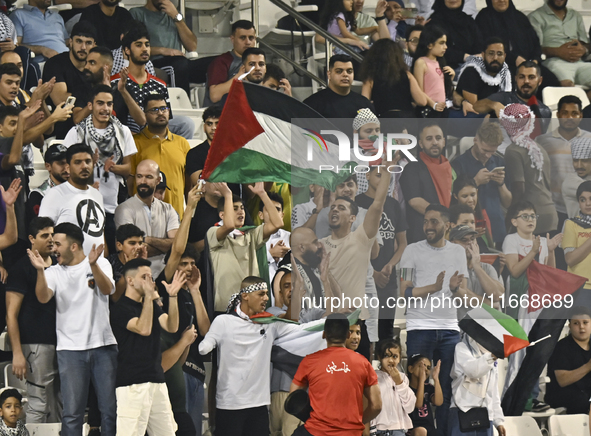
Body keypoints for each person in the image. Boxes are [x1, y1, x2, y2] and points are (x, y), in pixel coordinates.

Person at [200, 276, 326, 435]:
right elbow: (205, 346)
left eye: (267, 293)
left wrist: (332, 323)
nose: (266, 298)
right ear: (245, 296)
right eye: (261, 294)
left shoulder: (269, 324)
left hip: (259, 406)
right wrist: (206, 344)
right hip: (230, 405)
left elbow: (301, 328)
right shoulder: (224, 321)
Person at [28, 222, 117, 436]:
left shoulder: (101, 263)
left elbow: (107, 290)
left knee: (109, 410)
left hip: (103, 346)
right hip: (69, 351)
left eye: (57, 243)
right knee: (72, 413)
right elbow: (42, 297)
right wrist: (41, 271)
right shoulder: (54, 272)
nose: (53, 248)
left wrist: (93, 266)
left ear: (74, 246)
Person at [399, 204, 469, 435]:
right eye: (426, 221)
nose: (428, 226)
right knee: (418, 387)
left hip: (450, 330)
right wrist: (435, 287)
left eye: (434, 222)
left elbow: (462, 294)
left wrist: (453, 289)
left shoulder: (458, 252)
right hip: (420, 328)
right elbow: (404, 292)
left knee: (445, 391)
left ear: (447, 225)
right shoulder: (411, 250)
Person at [156, 184, 209, 436]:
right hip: (174, 371)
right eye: (183, 263)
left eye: (191, 263)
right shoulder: (165, 287)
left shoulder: (191, 291)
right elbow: (176, 249)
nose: (187, 268)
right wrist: (190, 208)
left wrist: (196, 291)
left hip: (196, 370)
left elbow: (205, 331)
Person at [110, 257, 182, 436]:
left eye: (151, 277)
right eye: (144, 277)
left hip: (156, 379)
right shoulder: (120, 308)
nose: (150, 282)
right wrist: (150, 298)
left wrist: (172, 297)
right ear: (130, 280)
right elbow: (143, 328)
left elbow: (172, 327)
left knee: (167, 432)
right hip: (132, 384)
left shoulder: (150, 305)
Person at [62, 85, 137, 254]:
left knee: (108, 255)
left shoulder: (123, 131)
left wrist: (112, 167)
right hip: (81, 204)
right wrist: (89, 167)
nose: (105, 108)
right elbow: (66, 170)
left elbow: (128, 169)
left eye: (109, 104)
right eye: (100, 103)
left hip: (111, 206)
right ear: (91, 105)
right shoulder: (76, 133)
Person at [290, 313, 382, 436]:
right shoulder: (363, 363)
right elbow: (376, 405)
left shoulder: (309, 361)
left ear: (324, 334)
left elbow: (293, 398)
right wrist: (357, 422)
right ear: (348, 335)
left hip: (316, 431)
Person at [5, 217, 60, 423]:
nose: (50, 239)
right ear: (31, 239)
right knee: (38, 403)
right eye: (44, 235)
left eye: (52, 235)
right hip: (35, 344)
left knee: (59, 403)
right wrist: (17, 352)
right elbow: (10, 313)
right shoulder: (21, 268)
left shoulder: (57, 265)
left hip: (60, 341)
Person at [207, 182, 283, 314]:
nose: (241, 211)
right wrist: (227, 194)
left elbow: (277, 223)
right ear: (222, 215)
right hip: (226, 309)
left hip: (252, 308)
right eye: (234, 208)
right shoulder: (213, 233)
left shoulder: (251, 234)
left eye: (242, 207)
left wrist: (262, 194)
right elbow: (229, 226)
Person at [111, 26, 195, 140]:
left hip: (155, 134)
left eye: (147, 44)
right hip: (128, 137)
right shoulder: (116, 82)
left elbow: (167, 119)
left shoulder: (159, 84)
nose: (144, 49)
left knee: (186, 123)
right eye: (138, 45)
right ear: (127, 50)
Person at [357, 165, 408, 340]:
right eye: (378, 175)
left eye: (386, 177)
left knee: (386, 332)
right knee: (364, 330)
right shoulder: (357, 203)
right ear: (367, 175)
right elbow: (354, 246)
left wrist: (389, 265)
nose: (382, 179)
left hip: (388, 280)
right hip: (364, 279)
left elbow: (402, 243)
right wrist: (373, 273)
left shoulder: (393, 205)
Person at [38, 143, 106, 256]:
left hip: (98, 266)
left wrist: (104, 260)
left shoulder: (97, 194)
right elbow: (43, 234)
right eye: (78, 162)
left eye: (88, 161)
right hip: (68, 268)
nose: (84, 166)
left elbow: (99, 232)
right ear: (68, 168)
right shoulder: (54, 194)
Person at [501, 103, 558, 234]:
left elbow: (519, 190)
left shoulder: (513, 151)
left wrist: (509, 219)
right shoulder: (538, 148)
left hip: (529, 217)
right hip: (550, 213)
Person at [130, 0, 210, 94]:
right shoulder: (137, 13)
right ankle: (181, 106)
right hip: (154, 62)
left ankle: (217, 107)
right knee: (180, 64)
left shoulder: (174, 16)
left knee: (216, 63)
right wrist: (163, 50)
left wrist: (177, 16)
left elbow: (192, 46)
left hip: (181, 62)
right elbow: (132, 48)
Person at [115, 159, 179, 276]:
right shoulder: (124, 209)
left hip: (166, 275)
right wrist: (166, 246)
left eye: (148, 177)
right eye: (139, 176)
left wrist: (148, 240)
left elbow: (177, 245)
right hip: (136, 276)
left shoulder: (168, 209)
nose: (142, 181)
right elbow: (132, 250)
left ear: (158, 180)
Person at [451, 122, 511, 247]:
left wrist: (501, 184)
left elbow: (508, 203)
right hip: (473, 230)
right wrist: (476, 182)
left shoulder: (499, 161)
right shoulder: (459, 164)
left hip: (498, 228)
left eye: (492, 151)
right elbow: (454, 200)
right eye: (484, 150)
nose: (488, 155)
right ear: (475, 141)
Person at [475, 0, 559, 84]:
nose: (502, 0)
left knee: (551, 81)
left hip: (528, 64)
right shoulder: (484, 18)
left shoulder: (519, 17)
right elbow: (486, 46)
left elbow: (535, 43)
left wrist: (535, 60)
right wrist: (514, 59)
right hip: (501, 65)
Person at [537, 95, 590, 222]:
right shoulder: (542, 142)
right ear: (558, 114)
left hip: (584, 210)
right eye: (565, 113)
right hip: (553, 210)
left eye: (574, 113)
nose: (570, 117)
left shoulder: (589, 139)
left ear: (581, 115)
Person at [41, 20, 96, 139]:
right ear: (70, 42)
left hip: (92, 129)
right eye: (79, 41)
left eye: (88, 43)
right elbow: (61, 100)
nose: (83, 47)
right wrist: (94, 98)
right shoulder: (55, 63)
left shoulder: (96, 67)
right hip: (62, 129)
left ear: (94, 45)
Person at [400, 122, 453, 243]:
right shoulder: (412, 168)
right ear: (420, 143)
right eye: (429, 139)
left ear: (444, 141)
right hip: (421, 235)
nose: (434, 142)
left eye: (438, 138)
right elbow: (415, 201)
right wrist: (443, 219)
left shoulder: (450, 168)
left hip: (447, 233)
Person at [473, 61, 552, 142]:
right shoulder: (503, 98)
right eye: (522, 77)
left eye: (531, 77)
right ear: (516, 79)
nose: (526, 81)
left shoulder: (545, 112)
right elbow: (477, 106)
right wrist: (494, 105)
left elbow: (539, 140)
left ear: (540, 80)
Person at [448, 335, 506, 436]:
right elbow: (473, 371)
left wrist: (498, 421)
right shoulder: (462, 347)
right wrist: (491, 357)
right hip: (462, 413)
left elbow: (493, 392)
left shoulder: (493, 356)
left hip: (486, 417)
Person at [528, 0, 591, 88]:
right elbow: (536, 48)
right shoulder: (536, 17)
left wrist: (583, 49)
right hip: (554, 62)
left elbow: (586, 44)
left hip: (579, 62)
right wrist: (557, 52)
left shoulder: (575, 15)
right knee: (567, 85)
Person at [360, 38, 428, 118]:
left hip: (384, 120)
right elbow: (422, 101)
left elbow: (364, 105)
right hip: (407, 119)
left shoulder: (370, 77)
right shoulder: (407, 75)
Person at [448, 225, 504, 320]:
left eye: (472, 239)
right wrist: (489, 304)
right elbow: (463, 295)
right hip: (462, 328)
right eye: (464, 240)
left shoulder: (487, 268)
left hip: (490, 327)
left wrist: (477, 266)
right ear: (452, 244)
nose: (469, 243)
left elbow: (498, 295)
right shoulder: (449, 269)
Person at [546, 306, 591, 414]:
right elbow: (563, 380)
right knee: (582, 400)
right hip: (563, 395)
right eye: (576, 323)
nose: (581, 327)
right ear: (569, 326)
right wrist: (588, 366)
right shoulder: (561, 347)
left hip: (586, 393)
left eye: (585, 322)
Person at [303, 55, 375, 118]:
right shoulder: (313, 104)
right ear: (329, 74)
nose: (345, 75)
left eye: (349, 71)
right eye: (339, 71)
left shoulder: (364, 103)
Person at [204, 20, 256, 106]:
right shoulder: (221, 62)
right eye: (243, 38)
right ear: (232, 39)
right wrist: (239, 76)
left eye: (251, 38)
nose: (248, 42)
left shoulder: (259, 62)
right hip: (219, 113)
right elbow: (215, 96)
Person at [454, 37, 511, 117]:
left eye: (499, 54)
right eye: (491, 53)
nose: (495, 58)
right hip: (468, 117)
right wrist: (493, 105)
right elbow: (475, 108)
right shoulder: (472, 71)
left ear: (504, 56)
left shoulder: (506, 74)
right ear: (483, 55)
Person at [370, 338, 416, 436]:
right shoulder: (373, 377)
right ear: (379, 357)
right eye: (386, 356)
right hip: (379, 430)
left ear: (399, 358)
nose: (391, 360)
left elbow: (410, 407)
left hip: (399, 430)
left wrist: (399, 382)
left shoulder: (403, 377)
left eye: (395, 356)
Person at [425, 0, 482, 71]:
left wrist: (475, 57)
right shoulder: (434, 22)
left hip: (471, 66)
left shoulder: (468, 21)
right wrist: (463, 57)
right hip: (444, 68)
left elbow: (478, 45)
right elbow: (435, 48)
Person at [412, 26, 454, 117]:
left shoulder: (440, 62)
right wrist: (433, 104)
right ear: (429, 45)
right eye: (441, 43)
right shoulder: (421, 63)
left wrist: (450, 77)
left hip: (442, 109)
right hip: (428, 109)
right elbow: (419, 91)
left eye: (445, 43)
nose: (445, 47)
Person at [26, 144, 69, 225]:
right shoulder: (38, 194)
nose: (66, 168)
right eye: (61, 163)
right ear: (48, 166)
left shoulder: (78, 190)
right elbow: (39, 228)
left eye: (68, 163)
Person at [451, 177, 494, 251]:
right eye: (465, 196)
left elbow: (490, 244)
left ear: (477, 192)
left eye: (473, 195)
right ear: (455, 196)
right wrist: (471, 236)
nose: (470, 200)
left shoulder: (483, 214)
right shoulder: (449, 216)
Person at [562, 181, 591, 291]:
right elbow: (570, 259)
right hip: (581, 287)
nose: (587, 204)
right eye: (583, 200)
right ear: (578, 203)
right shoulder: (571, 224)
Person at [107, 224, 147, 301]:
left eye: (140, 243)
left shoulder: (140, 261)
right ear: (119, 245)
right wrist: (129, 267)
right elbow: (115, 298)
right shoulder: (109, 263)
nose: (138, 247)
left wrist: (143, 267)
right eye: (132, 243)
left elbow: (152, 292)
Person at [185, 106, 222, 190]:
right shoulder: (194, 154)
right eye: (209, 124)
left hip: (235, 201)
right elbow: (200, 185)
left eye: (217, 123)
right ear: (204, 127)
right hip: (206, 202)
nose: (213, 128)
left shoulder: (235, 153)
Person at [408, 355, 442, 436]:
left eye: (428, 367)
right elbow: (418, 404)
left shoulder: (428, 387)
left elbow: (438, 402)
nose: (425, 369)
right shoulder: (406, 388)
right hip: (412, 428)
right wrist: (421, 381)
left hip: (429, 428)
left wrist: (436, 379)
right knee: (420, 431)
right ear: (411, 369)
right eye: (421, 366)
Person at [563, 138, 591, 218]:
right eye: (575, 160)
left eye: (584, 161)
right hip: (578, 229)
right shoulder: (570, 182)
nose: (579, 166)